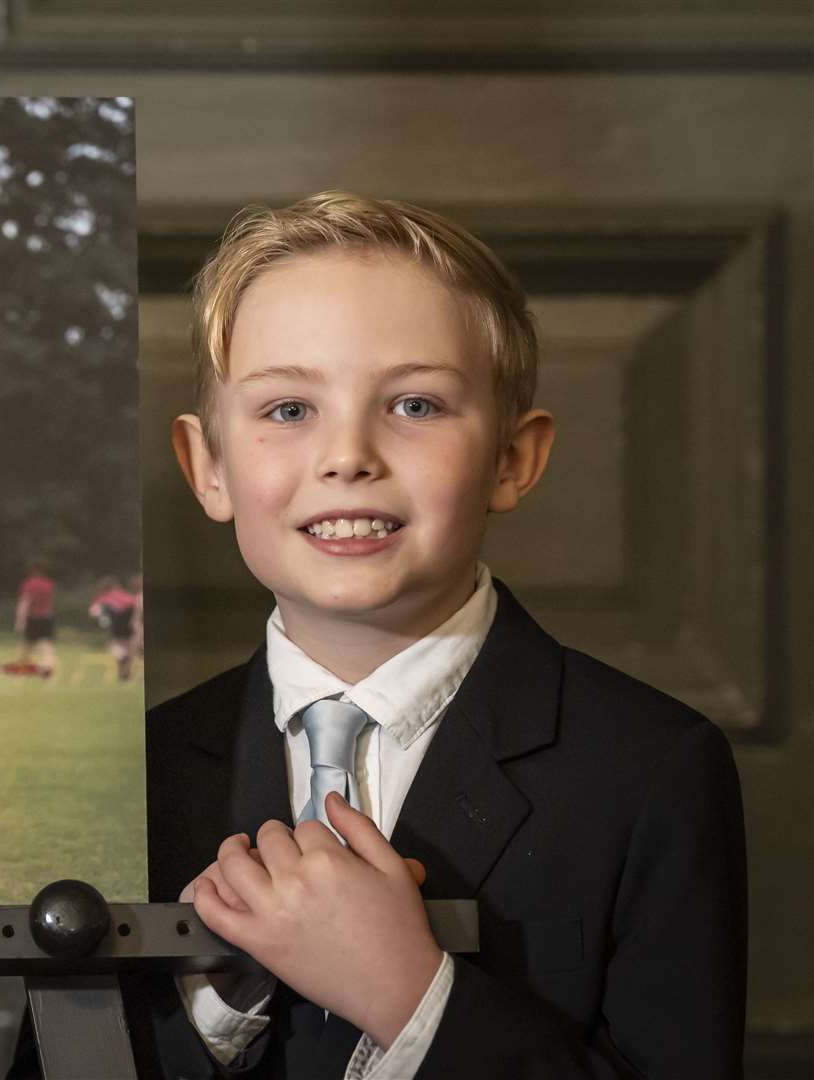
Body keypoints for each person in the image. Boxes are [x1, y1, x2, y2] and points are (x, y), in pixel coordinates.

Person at [132, 192, 746, 1078]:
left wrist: (412, 997)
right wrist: (211, 1005)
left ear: (512, 459)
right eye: (289, 410)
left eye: (415, 406)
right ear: (208, 468)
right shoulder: (137, 770)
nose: (349, 455)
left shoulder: (653, 769)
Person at [89, 575, 138, 681]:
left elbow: (94, 611)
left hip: (117, 622)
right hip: (130, 620)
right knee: (127, 645)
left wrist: (102, 618)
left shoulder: (104, 596)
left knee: (115, 646)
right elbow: (136, 604)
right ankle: (125, 672)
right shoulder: (126, 594)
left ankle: (123, 665)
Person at [13, 560, 57, 678]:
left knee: (26, 645)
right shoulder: (49, 584)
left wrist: (20, 621)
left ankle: (23, 668)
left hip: (32, 618)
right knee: (46, 645)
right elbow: (50, 603)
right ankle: (47, 667)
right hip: (46, 618)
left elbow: (24, 603)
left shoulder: (29, 584)